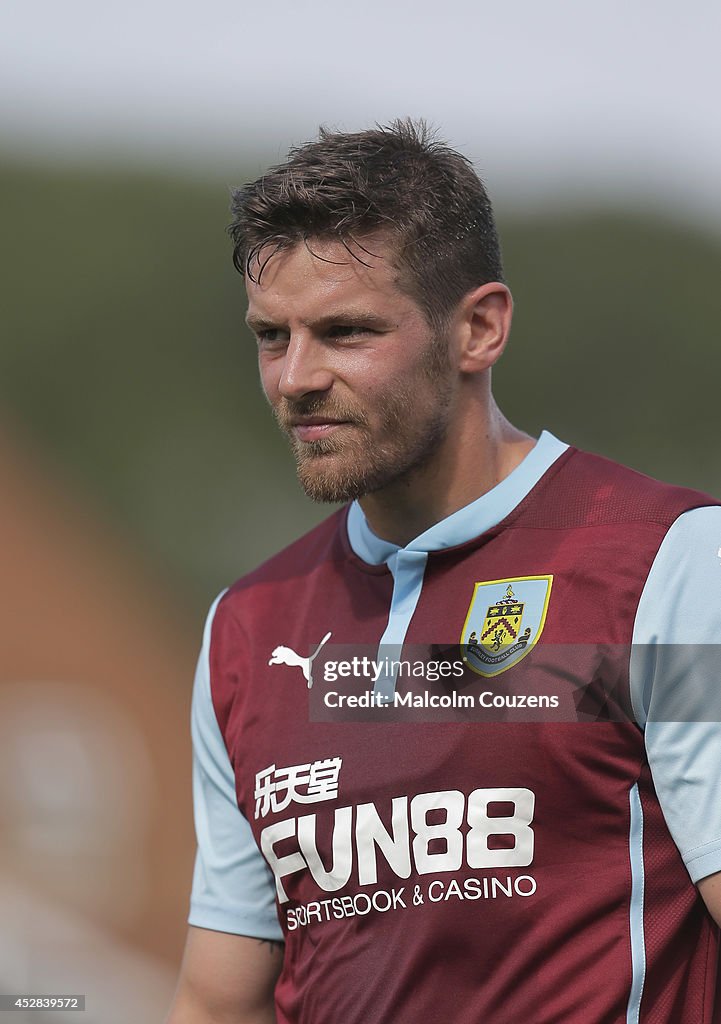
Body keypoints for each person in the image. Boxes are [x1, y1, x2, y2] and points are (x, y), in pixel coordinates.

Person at [167, 120, 721, 1024]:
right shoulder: (248, 628)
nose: (295, 377)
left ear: (478, 328)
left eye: (344, 331)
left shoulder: (671, 562)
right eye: (271, 337)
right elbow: (217, 997)